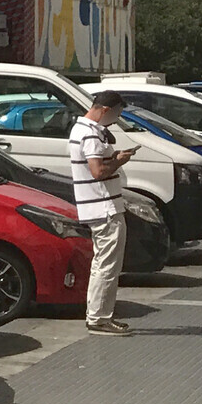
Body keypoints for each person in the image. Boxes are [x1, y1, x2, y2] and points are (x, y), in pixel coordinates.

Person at [71, 90, 137, 335]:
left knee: (103, 263)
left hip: (95, 205)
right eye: (118, 113)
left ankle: (98, 316)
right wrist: (119, 160)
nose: (117, 119)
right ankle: (99, 318)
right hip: (104, 206)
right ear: (106, 110)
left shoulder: (82, 130)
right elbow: (97, 172)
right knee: (107, 265)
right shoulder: (90, 134)